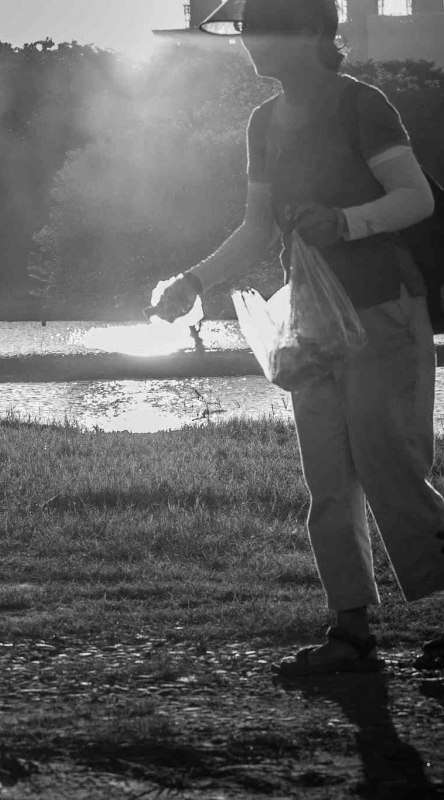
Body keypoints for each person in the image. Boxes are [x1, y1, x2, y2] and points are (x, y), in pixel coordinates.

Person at [152, 0, 443, 675]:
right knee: (328, 480)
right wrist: (194, 281)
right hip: (310, 323)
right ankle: (351, 634)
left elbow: (415, 198)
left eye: (262, 27)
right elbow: (258, 227)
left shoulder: (360, 106)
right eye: (245, 27)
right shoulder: (262, 123)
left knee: (391, 466)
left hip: (383, 311)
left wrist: (345, 223)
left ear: (313, 32)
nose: (249, 39)